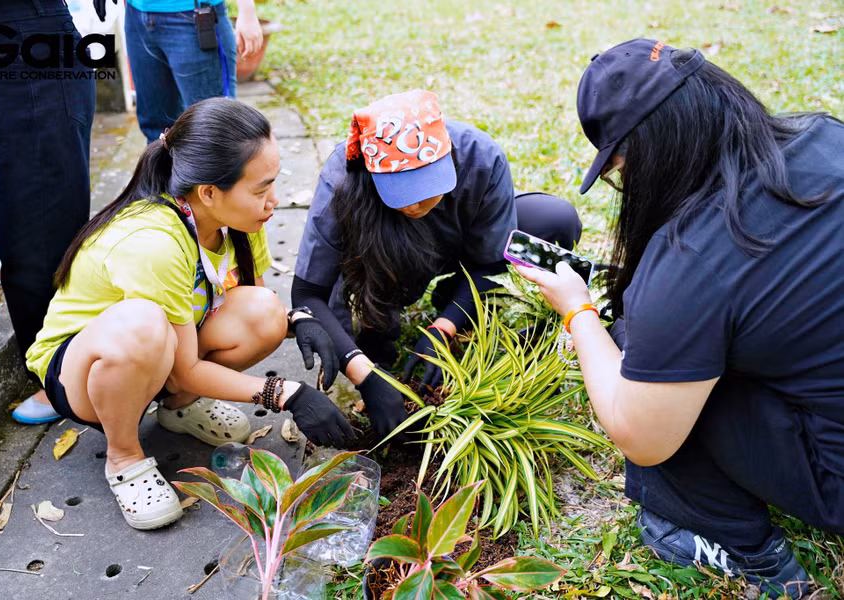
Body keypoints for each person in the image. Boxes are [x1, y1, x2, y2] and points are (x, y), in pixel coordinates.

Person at [518, 38, 844, 598]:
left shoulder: (693, 256)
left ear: (648, 149)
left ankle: (748, 551)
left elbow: (641, 437)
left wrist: (577, 311)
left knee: (642, 363)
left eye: (618, 166)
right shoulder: (826, 135)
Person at [25, 98, 353, 530]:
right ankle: (124, 456)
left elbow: (246, 304)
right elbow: (182, 368)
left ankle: (178, 410)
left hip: (163, 352)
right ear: (209, 192)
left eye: (274, 184)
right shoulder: (154, 241)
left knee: (265, 313)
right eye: (260, 189)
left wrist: (300, 321)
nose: (273, 201)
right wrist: (285, 393)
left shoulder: (232, 222)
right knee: (142, 324)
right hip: (86, 374)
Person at [292, 90, 582, 438]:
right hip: (383, 256)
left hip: (457, 245)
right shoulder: (343, 177)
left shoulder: (481, 158)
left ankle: (451, 298)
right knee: (367, 333)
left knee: (553, 220)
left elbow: (491, 261)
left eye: (430, 185)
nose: (417, 203)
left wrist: (444, 327)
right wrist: (364, 373)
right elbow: (309, 293)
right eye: (402, 191)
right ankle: (380, 325)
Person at [0, 0, 96, 425]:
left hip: (20, 33)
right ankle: (68, 367)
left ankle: (60, 381)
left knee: (35, 223)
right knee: (38, 214)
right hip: (12, 33)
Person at [120, 0, 263, 143]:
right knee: (157, 135)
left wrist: (247, 9)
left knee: (215, 131)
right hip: (136, 15)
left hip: (195, 15)